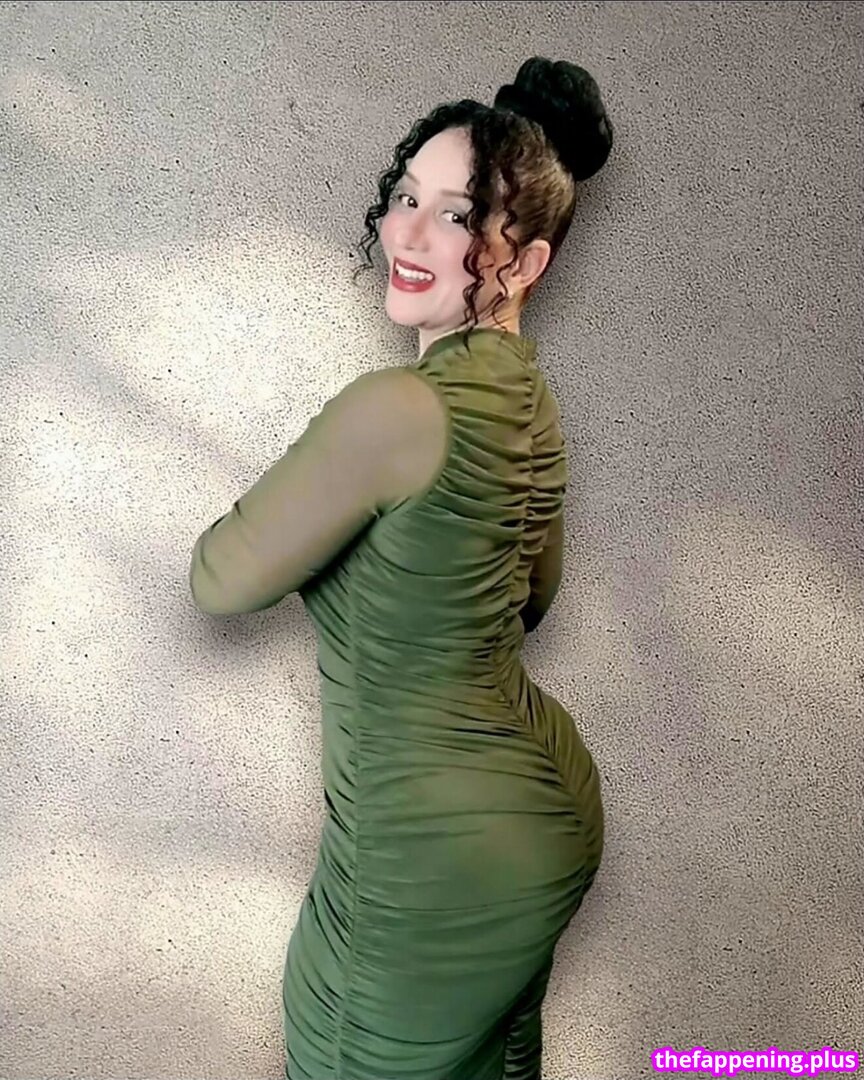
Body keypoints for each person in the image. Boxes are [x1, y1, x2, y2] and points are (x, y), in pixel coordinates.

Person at [189, 55, 613, 1080]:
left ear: (527, 262)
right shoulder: (532, 403)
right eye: (406, 197)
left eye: (458, 216)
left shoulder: (392, 412)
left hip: (431, 852)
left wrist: (329, 499)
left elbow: (218, 579)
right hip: (544, 815)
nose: (409, 234)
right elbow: (532, 601)